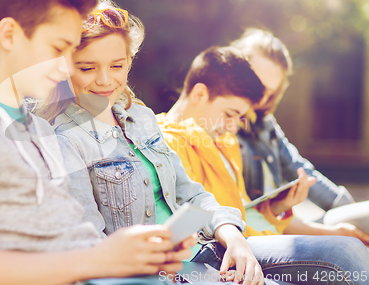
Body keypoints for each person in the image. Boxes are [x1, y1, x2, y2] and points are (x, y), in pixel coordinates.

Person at [0, 0, 202, 285]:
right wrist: (101, 259)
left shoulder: (36, 129)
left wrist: (139, 254)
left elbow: (71, 238)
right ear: (9, 34)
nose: (67, 69)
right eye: (58, 48)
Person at [47, 0, 268, 285]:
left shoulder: (141, 117)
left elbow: (191, 195)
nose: (105, 80)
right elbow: (92, 249)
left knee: (341, 253)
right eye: (88, 68)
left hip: (206, 250)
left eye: (117, 66)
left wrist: (233, 235)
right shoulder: (65, 142)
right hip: (166, 275)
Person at [156, 45, 369, 284]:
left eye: (239, 117)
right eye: (229, 114)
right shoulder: (166, 142)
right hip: (223, 248)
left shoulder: (224, 142)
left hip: (250, 237)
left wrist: (276, 207)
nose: (235, 127)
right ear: (198, 95)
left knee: (349, 249)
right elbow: (199, 217)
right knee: (346, 252)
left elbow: (239, 207)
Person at [231, 28, 369, 238]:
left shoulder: (265, 124)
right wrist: (333, 232)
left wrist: (344, 207)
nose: (260, 97)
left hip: (284, 225)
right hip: (266, 232)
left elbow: (301, 169)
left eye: (269, 91)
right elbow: (251, 215)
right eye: (256, 83)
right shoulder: (221, 130)